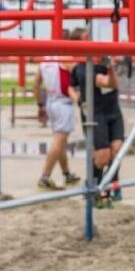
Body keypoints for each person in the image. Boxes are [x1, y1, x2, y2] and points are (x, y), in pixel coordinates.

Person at [68, 28, 124, 207]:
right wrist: (78, 99)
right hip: (95, 114)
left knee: (117, 150)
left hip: (113, 111)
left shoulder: (99, 61)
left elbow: (114, 83)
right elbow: (108, 82)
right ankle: (93, 186)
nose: (92, 41)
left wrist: (112, 64)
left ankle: (111, 186)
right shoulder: (83, 69)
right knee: (102, 156)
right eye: (87, 39)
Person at [33, 50, 81, 190]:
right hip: (63, 103)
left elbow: (36, 84)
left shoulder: (44, 61)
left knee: (61, 142)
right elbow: (80, 74)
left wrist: (40, 105)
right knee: (59, 140)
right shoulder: (66, 58)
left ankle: (67, 174)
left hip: (50, 102)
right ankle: (45, 177)